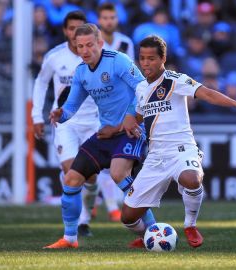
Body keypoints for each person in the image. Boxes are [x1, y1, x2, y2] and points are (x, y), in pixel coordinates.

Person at [120, 35, 236, 248]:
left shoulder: (175, 80)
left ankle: (190, 225)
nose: (145, 63)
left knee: (192, 179)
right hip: (155, 156)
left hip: (182, 149)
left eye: (151, 58)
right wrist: (131, 121)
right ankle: (147, 236)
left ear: (163, 58)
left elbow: (206, 93)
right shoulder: (141, 89)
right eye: (142, 58)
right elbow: (143, 115)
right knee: (128, 217)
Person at [45, 23, 156, 249]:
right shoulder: (82, 72)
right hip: (105, 133)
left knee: (117, 174)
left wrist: (130, 117)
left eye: (89, 45)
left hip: (130, 130)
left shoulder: (119, 60)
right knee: (72, 179)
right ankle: (70, 239)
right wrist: (61, 114)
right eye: (80, 47)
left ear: (100, 43)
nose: (85, 50)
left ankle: (153, 231)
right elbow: (72, 106)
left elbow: (144, 88)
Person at [31, 11, 102, 237]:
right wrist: (36, 116)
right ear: (65, 31)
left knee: (91, 177)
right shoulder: (55, 56)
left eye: (81, 28)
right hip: (65, 121)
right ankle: (77, 223)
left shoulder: (100, 56)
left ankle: (86, 218)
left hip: (93, 122)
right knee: (71, 171)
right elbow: (41, 83)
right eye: (72, 29)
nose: (75, 34)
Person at [93, 2, 136, 221]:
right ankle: (107, 206)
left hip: (119, 107)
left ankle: (100, 203)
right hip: (96, 106)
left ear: (117, 19)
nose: (109, 21)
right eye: (105, 18)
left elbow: (131, 74)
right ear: (99, 20)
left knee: (112, 160)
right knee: (96, 159)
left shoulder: (125, 43)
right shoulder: (92, 44)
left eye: (112, 17)